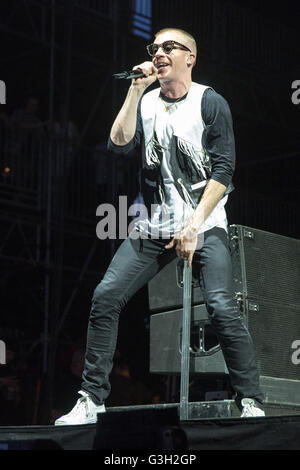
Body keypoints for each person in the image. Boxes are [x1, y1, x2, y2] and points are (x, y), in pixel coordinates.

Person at [55, 28, 265, 425]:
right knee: (106, 296)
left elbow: (224, 170)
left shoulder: (210, 101)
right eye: (155, 48)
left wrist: (193, 226)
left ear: (191, 57)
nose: (160, 52)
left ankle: (251, 398)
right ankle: (91, 399)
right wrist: (135, 90)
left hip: (205, 223)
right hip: (154, 225)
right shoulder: (148, 101)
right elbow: (118, 144)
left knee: (221, 306)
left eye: (170, 46)